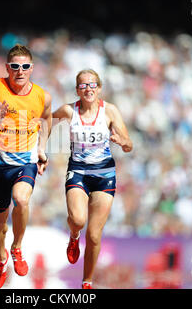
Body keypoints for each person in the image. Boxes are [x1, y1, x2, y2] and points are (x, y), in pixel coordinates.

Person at [0, 44, 52, 289]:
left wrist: (42, 148)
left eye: (25, 66)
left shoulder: (42, 95)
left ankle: (16, 247)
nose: (20, 71)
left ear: (32, 68)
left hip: (25, 162)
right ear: (7, 68)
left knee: (22, 199)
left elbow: (47, 118)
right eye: (15, 66)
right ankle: (1, 257)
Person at [52, 69, 133, 289]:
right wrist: (42, 150)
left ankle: (87, 281)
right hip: (78, 170)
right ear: (77, 90)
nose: (88, 89)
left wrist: (122, 141)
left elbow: (128, 144)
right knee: (78, 220)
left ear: (99, 87)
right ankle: (74, 235)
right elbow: (45, 123)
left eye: (92, 84)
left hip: (104, 173)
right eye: (83, 85)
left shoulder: (110, 111)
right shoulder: (69, 111)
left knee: (95, 235)